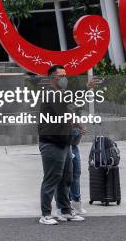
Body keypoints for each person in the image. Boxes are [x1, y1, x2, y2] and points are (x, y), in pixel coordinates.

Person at [38, 65, 85, 225]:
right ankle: (45, 215)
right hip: (51, 143)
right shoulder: (49, 93)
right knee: (52, 179)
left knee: (66, 178)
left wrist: (79, 125)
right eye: (61, 76)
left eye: (66, 75)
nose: (65, 78)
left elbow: (69, 112)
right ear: (52, 78)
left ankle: (65, 211)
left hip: (64, 142)